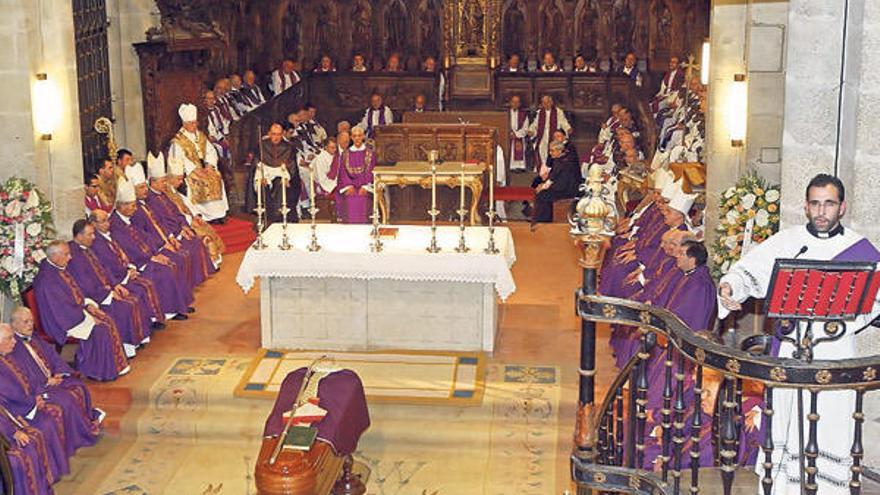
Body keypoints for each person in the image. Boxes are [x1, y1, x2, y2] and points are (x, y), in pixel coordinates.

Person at [718, 174, 880, 495]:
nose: (822, 211)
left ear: (842, 207)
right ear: (806, 207)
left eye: (829, 204)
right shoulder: (788, 241)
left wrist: (852, 316)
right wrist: (729, 286)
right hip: (791, 351)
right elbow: (747, 272)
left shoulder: (858, 248)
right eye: (815, 204)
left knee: (832, 425)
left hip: (835, 354)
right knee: (788, 426)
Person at [9, 307, 104, 453]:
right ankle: (77, 438)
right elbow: (22, 376)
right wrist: (47, 382)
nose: (30, 325)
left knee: (78, 386)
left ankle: (86, 423)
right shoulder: (13, 348)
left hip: (52, 378)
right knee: (66, 399)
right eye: (25, 322)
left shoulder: (33, 336)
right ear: (14, 325)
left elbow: (51, 354)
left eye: (31, 321)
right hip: (40, 388)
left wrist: (60, 372)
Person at [32, 241, 130, 381]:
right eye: (66, 254)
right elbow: (60, 310)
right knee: (101, 329)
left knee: (106, 319)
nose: (70, 257)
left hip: (72, 312)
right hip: (61, 322)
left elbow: (73, 293)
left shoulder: (57, 268)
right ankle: (97, 371)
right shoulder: (47, 280)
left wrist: (87, 303)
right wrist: (88, 319)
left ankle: (112, 365)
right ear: (54, 256)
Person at [67, 219, 151, 356]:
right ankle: (125, 347)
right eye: (90, 234)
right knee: (125, 307)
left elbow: (103, 269)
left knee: (134, 298)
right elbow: (84, 284)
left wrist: (115, 285)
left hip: (106, 289)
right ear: (79, 236)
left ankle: (135, 341)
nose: (94, 237)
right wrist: (109, 294)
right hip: (95, 297)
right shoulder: (73, 256)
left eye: (93, 233)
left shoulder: (87, 249)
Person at [167, 103, 229, 223]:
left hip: (205, 167)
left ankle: (219, 214)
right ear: (184, 124)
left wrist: (210, 165)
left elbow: (210, 151)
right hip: (190, 171)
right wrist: (194, 170)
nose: (194, 125)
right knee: (201, 181)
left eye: (195, 122)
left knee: (215, 177)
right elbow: (179, 159)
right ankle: (204, 215)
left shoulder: (200, 136)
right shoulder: (178, 141)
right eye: (191, 123)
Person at [163, 159, 225, 266]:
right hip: (182, 223)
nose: (181, 182)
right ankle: (210, 262)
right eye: (179, 179)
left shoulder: (173, 190)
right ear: (170, 178)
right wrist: (189, 220)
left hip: (189, 218)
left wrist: (196, 215)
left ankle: (213, 260)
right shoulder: (165, 194)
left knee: (206, 228)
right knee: (204, 235)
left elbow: (186, 203)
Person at [253, 123, 300, 224]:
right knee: (262, 187)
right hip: (265, 175)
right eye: (273, 134)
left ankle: (279, 217)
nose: (276, 137)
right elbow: (257, 164)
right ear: (269, 134)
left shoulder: (289, 147)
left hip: (282, 176)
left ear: (282, 134)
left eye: (278, 134)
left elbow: (292, 166)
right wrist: (261, 177)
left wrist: (288, 177)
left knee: (281, 185)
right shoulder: (261, 146)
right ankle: (266, 218)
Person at [531, 141, 580, 222]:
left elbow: (555, 180)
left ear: (559, 151)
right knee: (540, 188)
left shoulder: (563, 163)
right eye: (550, 151)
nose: (550, 153)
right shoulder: (561, 159)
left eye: (552, 151)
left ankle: (543, 220)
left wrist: (543, 187)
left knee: (542, 195)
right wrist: (543, 185)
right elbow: (553, 176)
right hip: (560, 186)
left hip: (566, 190)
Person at [336, 127, 375, 223]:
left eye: (359, 135)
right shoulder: (345, 154)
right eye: (354, 136)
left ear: (363, 136)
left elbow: (371, 172)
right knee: (350, 199)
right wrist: (348, 186)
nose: (357, 138)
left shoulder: (370, 154)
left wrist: (366, 187)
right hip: (349, 188)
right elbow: (343, 173)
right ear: (351, 138)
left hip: (364, 187)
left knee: (363, 198)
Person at [528, 95, 572, 169]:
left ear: (551, 102)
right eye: (544, 103)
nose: (545, 105)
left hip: (554, 135)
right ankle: (543, 167)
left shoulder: (558, 112)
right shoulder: (539, 112)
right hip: (543, 135)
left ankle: (553, 167)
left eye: (547, 102)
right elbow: (535, 124)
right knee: (541, 149)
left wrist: (568, 128)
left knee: (555, 149)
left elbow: (563, 122)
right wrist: (531, 130)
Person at [508, 95, 530, 173]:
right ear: (510, 103)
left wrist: (516, 134)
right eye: (513, 102)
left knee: (519, 150)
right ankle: (509, 166)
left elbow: (525, 127)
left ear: (519, 104)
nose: (515, 104)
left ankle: (519, 167)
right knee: (509, 150)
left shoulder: (523, 114)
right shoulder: (505, 113)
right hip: (508, 136)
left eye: (517, 102)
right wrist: (509, 134)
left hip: (519, 136)